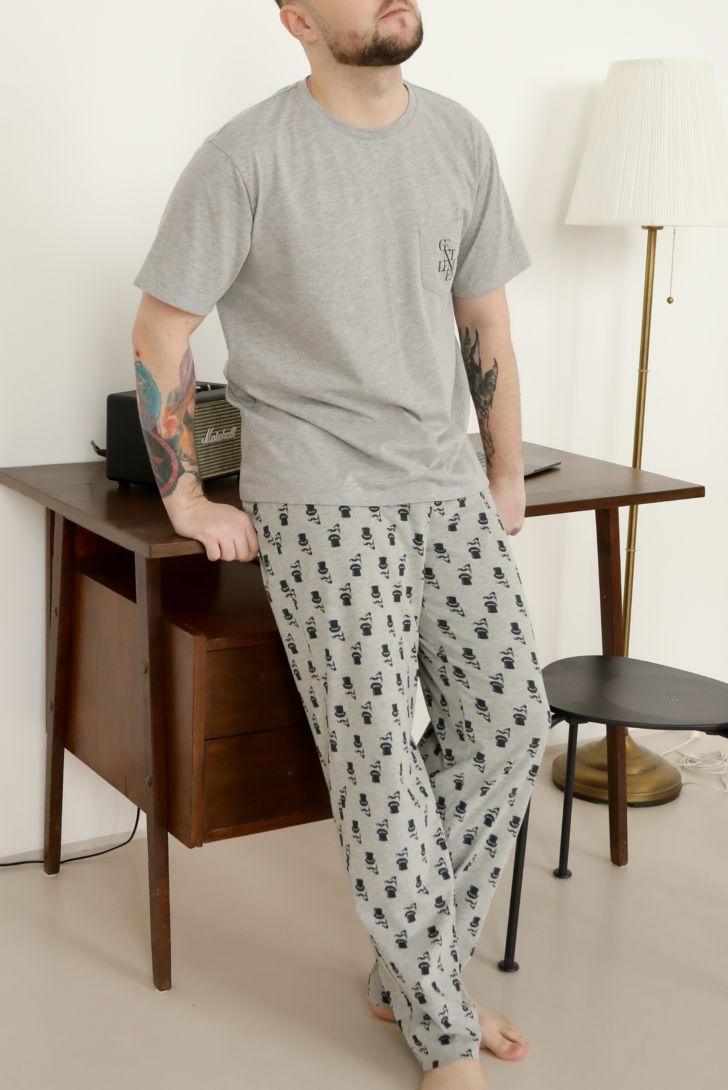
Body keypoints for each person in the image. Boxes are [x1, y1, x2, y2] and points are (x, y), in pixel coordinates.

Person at [131, 3, 550, 1087]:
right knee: (380, 762)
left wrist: (503, 471)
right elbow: (163, 328)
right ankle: (440, 1027)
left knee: (511, 724)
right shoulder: (245, 156)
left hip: (445, 483)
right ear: (299, 19)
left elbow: (484, 320)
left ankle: (411, 973)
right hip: (321, 495)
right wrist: (185, 499)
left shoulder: (457, 136)